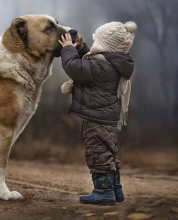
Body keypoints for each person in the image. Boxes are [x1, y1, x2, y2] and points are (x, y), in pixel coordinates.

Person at [58, 21, 137, 205]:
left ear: (105, 46)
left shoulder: (100, 68)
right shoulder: (110, 64)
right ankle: (115, 190)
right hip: (106, 117)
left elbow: (73, 67)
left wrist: (68, 49)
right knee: (108, 153)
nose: (93, 45)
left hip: (97, 119)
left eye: (96, 42)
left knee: (98, 153)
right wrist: (81, 49)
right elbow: (89, 63)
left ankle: (103, 192)